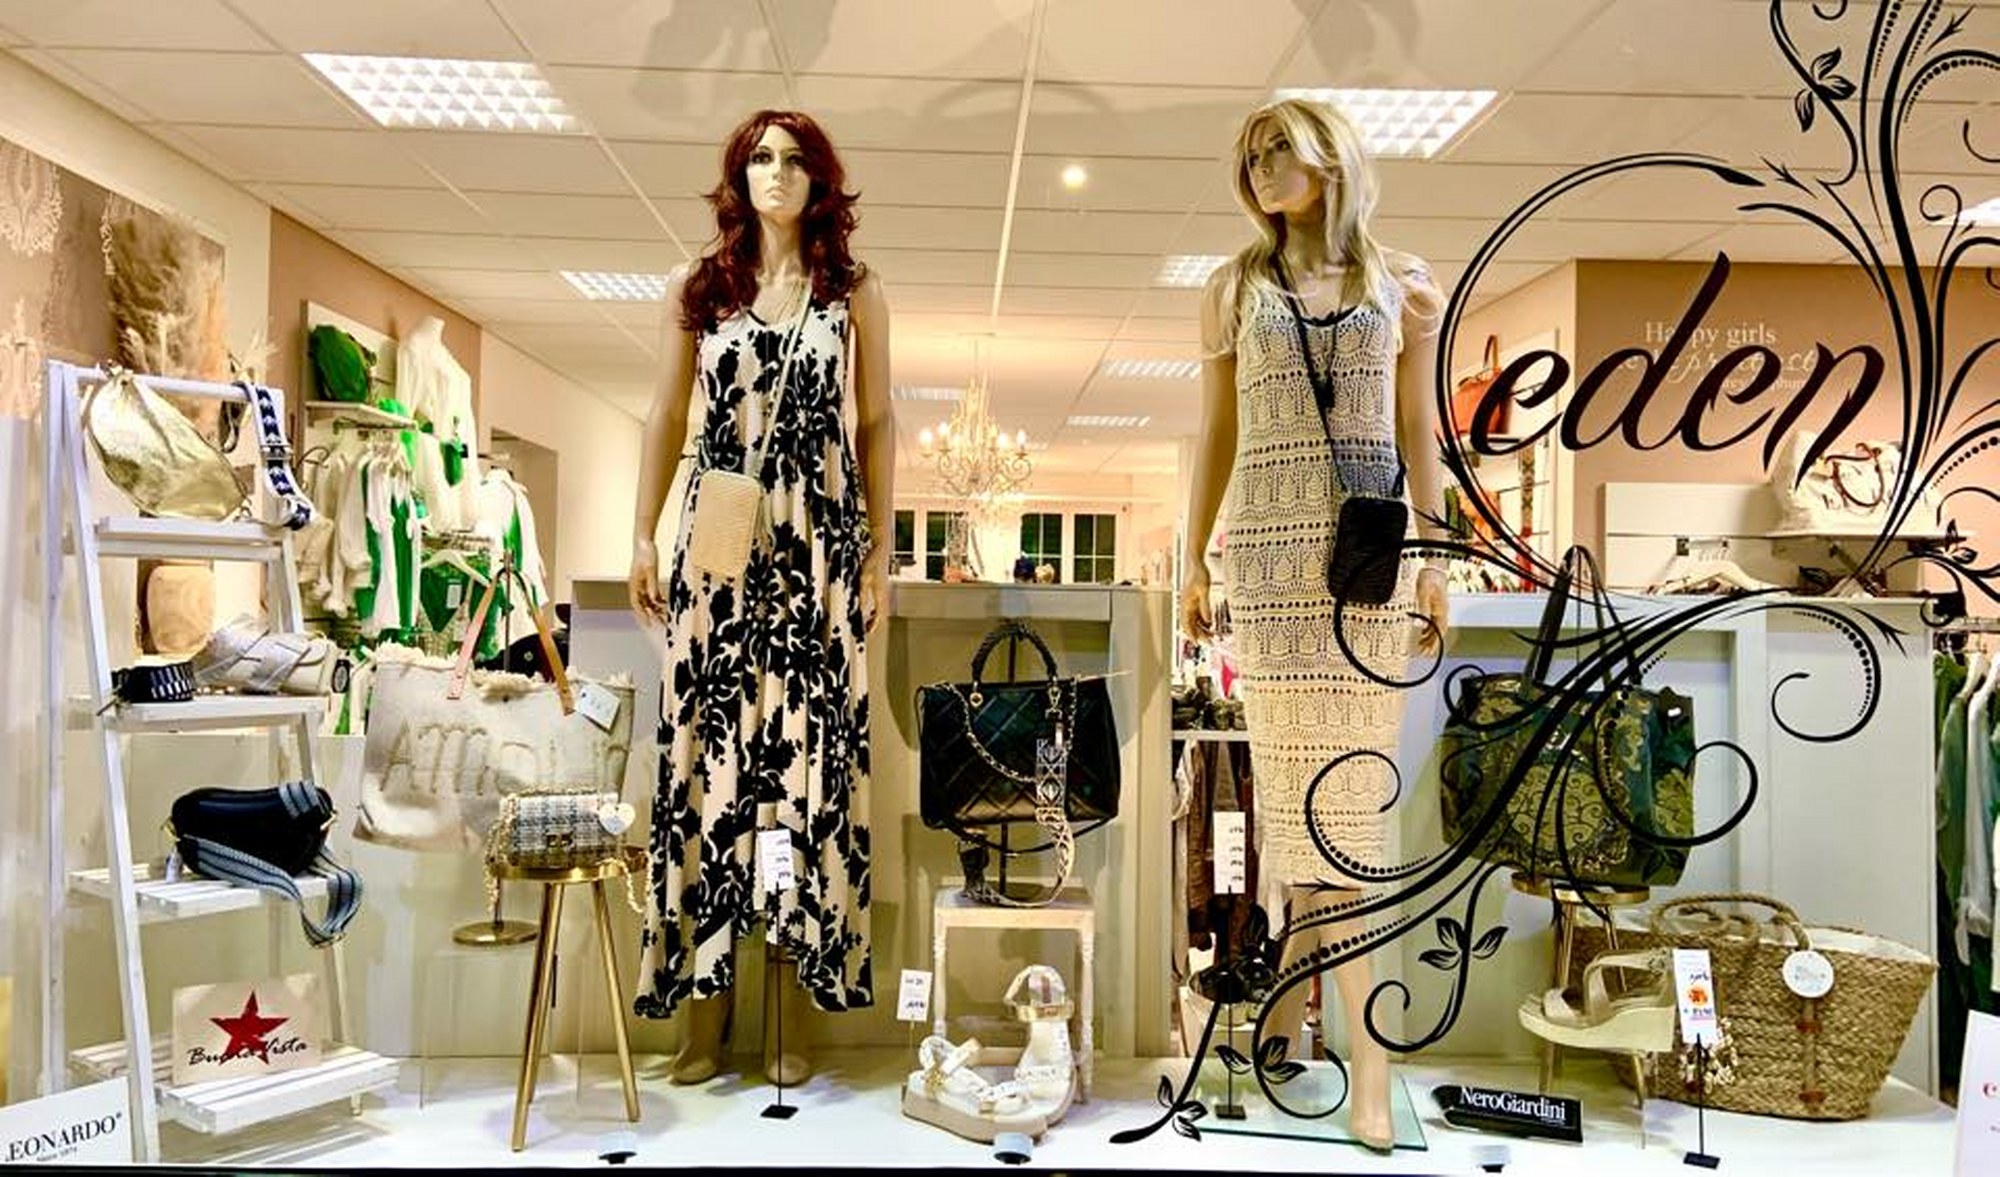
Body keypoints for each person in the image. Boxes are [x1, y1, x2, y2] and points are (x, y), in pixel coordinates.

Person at [1178, 96, 1449, 1151]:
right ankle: (1331, 1047)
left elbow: (1418, 428)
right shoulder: (1232, 289)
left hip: (1372, 563)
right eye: (1248, 154)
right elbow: (1217, 432)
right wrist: (1194, 556)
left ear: (1329, 159)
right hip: (1271, 568)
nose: (1258, 168)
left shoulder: (1403, 285)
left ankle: (1331, 1044)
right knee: (1298, 815)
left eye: (1276, 148)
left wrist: (1435, 558)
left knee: (1351, 824)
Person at [627, 108, 894, 1088]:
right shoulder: (699, 289)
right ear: (737, 177)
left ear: (820, 178)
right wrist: (641, 532)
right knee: (709, 769)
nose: (774, 174)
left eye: (792, 159)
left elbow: (876, 419)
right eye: (758, 159)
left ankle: (786, 1003)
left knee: (799, 777)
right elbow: (666, 413)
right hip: (721, 548)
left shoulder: (851, 291)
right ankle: (703, 1010)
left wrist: (878, 551)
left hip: (817, 551)